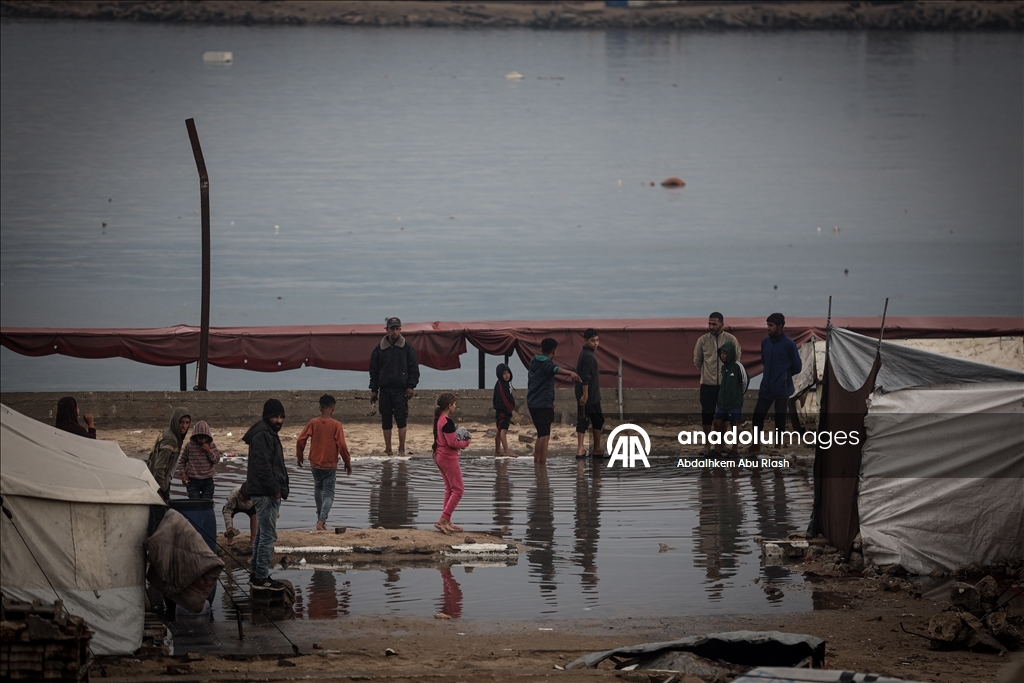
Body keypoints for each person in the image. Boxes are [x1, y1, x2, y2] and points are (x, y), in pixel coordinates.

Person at [244, 398, 289, 589]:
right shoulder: (263, 434)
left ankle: (257, 574)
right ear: (267, 417)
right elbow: (263, 466)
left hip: (265, 491)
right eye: (275, 417)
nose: (278, 420)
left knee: (263, 534)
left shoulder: (267, 432)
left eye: (281, 417)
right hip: (265, 493)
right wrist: (275, 490)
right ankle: (261, 578)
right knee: (268, 535)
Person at [297, 394, 352, 531]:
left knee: (318, 489)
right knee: (329, 494)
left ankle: (319, 518)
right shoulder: (336, 425)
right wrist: (347, 461)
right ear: (333, 408)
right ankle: (321, 521)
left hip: (315, 463)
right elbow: (342, 446)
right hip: (329, 464)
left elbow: (301, 439)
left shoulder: (313, 422)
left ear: (320, 408)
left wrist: (300, 455)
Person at [750, 313, 802, 454]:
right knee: (758, 415)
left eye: (771, 325)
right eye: (767, 325)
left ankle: (778, 445)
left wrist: (785, 375)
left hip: (782, 387)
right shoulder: (765, 342)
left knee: (780, 417)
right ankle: (755, 444)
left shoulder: (789, 344)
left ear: (780, 326)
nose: (768, 328)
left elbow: (797, 366)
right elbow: (764, 361)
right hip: (766, 385)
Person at [369, 317, 420, 456]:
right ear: (387, 330)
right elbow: (373, 371)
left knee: (401, 419)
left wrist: (411, 386)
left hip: (400, 390)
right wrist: (374, 390)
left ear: (400, 329)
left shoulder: (407, 348)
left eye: (397, 329)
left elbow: (414, 369)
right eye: (392, 329)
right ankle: (388, 449)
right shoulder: (379, 350)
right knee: (386, 419)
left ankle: (401, 449)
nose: (395, 332)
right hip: (384, 390)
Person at [526, 338, 581, 465]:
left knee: (540, 435)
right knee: (545, 436)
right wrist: (571, 373)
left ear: (542, 349)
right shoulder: (546, 364)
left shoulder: (534, 362)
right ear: (554, 351)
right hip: (543, 404)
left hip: (532, 403)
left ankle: (537, 466)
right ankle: (542, 466)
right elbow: (555, 369)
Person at [692, 312, 741, 453]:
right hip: (707, 384)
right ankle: (707, 445)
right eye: (709, 324)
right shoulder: (703, 341)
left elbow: (737, 359)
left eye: (714, 324)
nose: (711, 327)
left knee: (724, 415)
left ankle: (721, 444)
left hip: (725, 385)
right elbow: (697, 361)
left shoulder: (731, 340)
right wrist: (707, 373)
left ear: (722, 324)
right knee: (707, 414)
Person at [432, 392, 471, 534]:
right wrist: (466, 443)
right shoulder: (447, 422)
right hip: (448, 458)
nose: (455, 406)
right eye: (454, 404)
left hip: (439, 456)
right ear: (449, 406)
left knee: (450, 489)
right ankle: (443, 519)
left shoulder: (439, 419)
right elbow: (453, 443)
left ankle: (446, 520)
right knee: (458, 490)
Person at [710, 341, 747, 458]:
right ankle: (717, 448)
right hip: (722, 402)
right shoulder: (723, 368)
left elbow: (745, 382)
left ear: (730, 353)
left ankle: (735, 449)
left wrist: (737, 395)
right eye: (721, 353)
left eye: (725, 353)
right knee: (717, 422)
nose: (722, 356)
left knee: (734, 424)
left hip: (734, 402)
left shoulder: (738, 367)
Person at [147, 407, 191, 502]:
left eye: (187, 423)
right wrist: (162, 491)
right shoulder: (171, 439)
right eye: (181, 422)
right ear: (175, 421)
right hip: (159, 484)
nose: (184, 426)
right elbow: (159, 468)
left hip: (156, 481)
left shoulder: (168, 433)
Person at [574, 329, 605, 459]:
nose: (595, 343)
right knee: (597, 420)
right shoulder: (588, 356)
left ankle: (581, 449)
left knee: (583, 418)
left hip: (586, 393)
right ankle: (595, 448)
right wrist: (585, 394)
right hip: (590, 395)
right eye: (592, 341)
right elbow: (585, 376)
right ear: (585, 340)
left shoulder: (586, 353)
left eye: (597, 340)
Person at [176, 420, 222, 500]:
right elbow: (182, 461)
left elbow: (216, 460)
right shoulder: (190, 446)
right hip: (192, 480)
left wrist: (209, 451)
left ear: (208, 437)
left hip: (208, 480)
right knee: (194, 502)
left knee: (207, 502)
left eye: (205, 438)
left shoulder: (211, 445)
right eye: (200, 438)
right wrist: (183, 474)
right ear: (195, 436)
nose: (202, 440)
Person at [492, 363, 518, 457]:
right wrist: (509, 410)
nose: (507, 375)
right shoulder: (500, 384)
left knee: (499, 430)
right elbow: (503, 398)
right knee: (503, 430)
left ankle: (497, 451)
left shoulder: (506, 384)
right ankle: (506, 450)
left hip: (504, 410)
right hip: (503, 411)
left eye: (508, 373)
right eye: (504, 373)